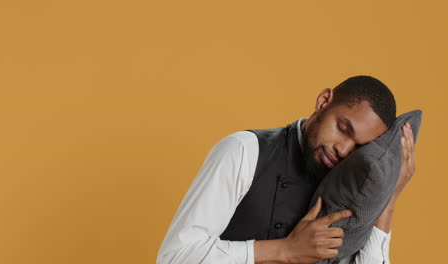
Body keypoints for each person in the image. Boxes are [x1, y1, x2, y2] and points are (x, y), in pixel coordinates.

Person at [157, 75, 416, 264]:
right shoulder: (244, 150)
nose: (344, 149)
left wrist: (389, 199)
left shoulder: (352, 188)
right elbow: (175, 257)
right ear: (324, 101)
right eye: (343, 128)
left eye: (358, 146)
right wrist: (285, 250)